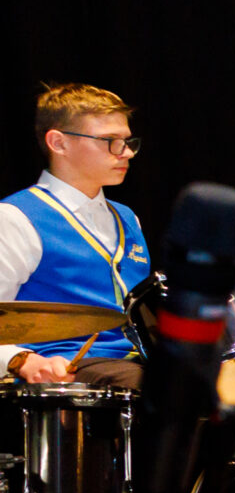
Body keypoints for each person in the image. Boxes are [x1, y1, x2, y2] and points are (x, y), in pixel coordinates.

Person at [2, 83, 151, 387]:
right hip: (69, 369)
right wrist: (21, 360)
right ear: (59, 143)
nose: (126, 153)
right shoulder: (15, 217)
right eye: (110, 141)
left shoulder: (128, 218)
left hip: (139, 362)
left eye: (127, 141)